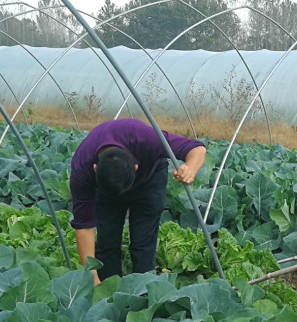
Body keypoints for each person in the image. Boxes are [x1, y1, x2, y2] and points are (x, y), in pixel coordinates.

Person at [69, 118, 206, 284]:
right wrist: (91, 275)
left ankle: (143, 293)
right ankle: (109, 293)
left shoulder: (146, 139)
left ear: (136, 166)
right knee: (107, 242)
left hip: (150, 182)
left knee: (143, 243)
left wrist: (190, 168)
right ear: (95, 168)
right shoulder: (82, 167)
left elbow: (197, 148)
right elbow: (84, 226)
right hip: (107, 192)